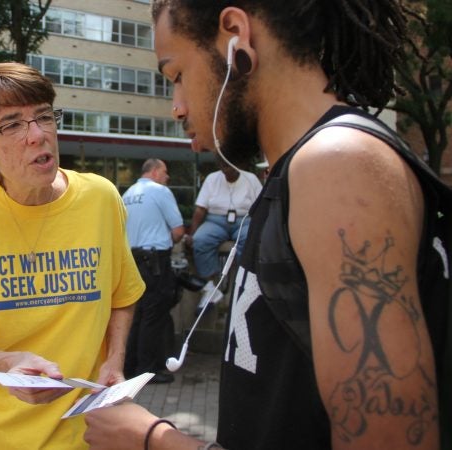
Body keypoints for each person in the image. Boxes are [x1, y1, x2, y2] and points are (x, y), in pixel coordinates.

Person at [84, 1, 447, 449]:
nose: (176, 108)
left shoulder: (337, 166)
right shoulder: (297, 174)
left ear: (236, 34)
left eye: (176, 74)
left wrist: (154, 439)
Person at [0, 62, 145, 449]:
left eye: (44, 117)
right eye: (13, 125)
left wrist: (114, 363)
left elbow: (122, 297)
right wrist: (6, 366)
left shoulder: (101, 198)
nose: (37, 135)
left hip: (78, 436)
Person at [122, 158, 185, 384]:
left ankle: (128, 366)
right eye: (165, 172)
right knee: (154, 316)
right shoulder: (160, 191)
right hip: (155, 262)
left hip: (131, 260)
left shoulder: (127, 194)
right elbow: (178, 231)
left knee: (135, 316)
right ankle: (147, 371)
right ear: (156, 171)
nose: (167, 177)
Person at [186, 157, 261, 308]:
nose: (226, 168)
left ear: (237, 164)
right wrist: (192, 234)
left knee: (249, 240)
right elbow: (200, 209)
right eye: (223, 165)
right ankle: (210, 288)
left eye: (229, 165)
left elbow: (260, 207)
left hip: (243, 219)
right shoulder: (212, 178)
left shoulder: (251, 179)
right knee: (201, 240)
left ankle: (244, 283)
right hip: (216, 220)